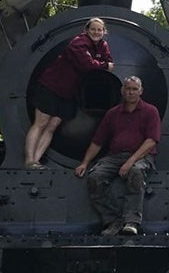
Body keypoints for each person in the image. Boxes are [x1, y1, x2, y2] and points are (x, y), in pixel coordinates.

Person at [75, 75, 160, 235]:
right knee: (94, 178)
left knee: (135, 172)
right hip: (115, 156)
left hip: (141, 156)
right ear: (122, 91)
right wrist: (85, 163)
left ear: (141, 91)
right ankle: (112, 220)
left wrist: (130, 161)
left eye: (135, 89)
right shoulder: (113, 114)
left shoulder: (150, 111)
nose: (131, 93)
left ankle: (132, 221)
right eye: (128, 89)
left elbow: (151, 141)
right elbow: (97, 141)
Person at [25, 17, 114, 167]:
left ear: (104, 32)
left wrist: (103, 64)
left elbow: (109, 61)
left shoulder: (102, 45)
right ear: (86, 30)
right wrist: (104, 65)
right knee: (41, 123)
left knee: (52, 126)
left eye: (100, 30)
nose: (96, 32)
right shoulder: (78, 43)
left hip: (68, 92)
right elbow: (88, 65)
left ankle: (36, 160)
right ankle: (29, 159)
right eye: (93, 29)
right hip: (52, 86)